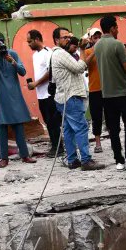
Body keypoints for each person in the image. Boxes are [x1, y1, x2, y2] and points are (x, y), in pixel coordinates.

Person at [95, 15, 126, 172]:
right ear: (112, 28)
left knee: (114, 129)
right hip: (123, 93)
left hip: (107, 95)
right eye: (116, 27)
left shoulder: (97, 46)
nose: (118, 30)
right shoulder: (117, 45)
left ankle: (119, 161)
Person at [51, 29, 104, 171]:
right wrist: (82, 49)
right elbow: (80, 67)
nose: (68, 39)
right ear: (56, 40)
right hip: (71, 97)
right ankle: (86, 160)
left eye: (69, 37)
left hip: (64, 98)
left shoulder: (61, 54)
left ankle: (73, 160)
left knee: (68, 130)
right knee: (81, 128)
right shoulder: (60, 54)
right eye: (64, 38)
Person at [0, 32, 35, 168]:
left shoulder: (12, 53)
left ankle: (24, 155)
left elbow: (23, 72)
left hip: (14, 95)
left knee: (18, 125)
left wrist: (11, 61)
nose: (0, 44)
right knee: (2, 126)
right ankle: (4, 158)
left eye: (1, 41)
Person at [26, 29, 62, 158]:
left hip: (49, 93)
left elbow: (50, 72)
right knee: (48, 121)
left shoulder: (49, 53)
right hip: (40, 94)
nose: (28, 44)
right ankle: (54, 145)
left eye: (30, 41)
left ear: (37, 39)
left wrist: (36, 83)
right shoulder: (35, 55)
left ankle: (58, 147)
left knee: (53, 122)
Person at [81, 28, 105, 153]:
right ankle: (98, 142)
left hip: (108, 88)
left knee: (112, 114)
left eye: (99, 37)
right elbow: (84, 64)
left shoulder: (106, 50)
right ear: (91, 39)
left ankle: (114, 139)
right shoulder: (88, 51)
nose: (97, 39)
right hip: (95, 88)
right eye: (95, 37)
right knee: (96, 117)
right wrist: (94, 51)